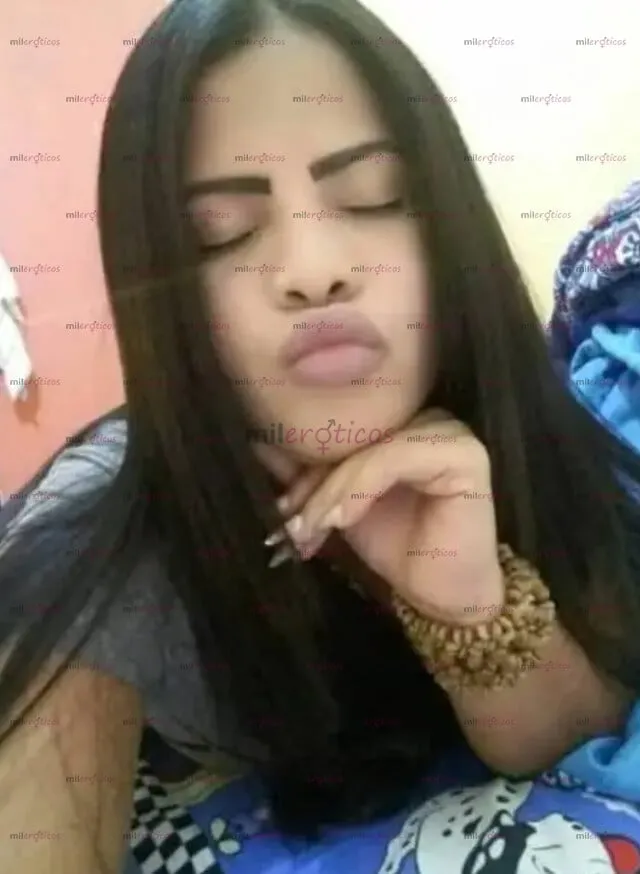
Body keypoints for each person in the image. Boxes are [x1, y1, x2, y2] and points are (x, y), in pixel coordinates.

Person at [1, 0, 639, 871]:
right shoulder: (103, 538)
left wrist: (472, 607)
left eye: (374, 196)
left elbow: (578, 740)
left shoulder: (529, 422)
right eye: (220, 233)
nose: (313, 270)